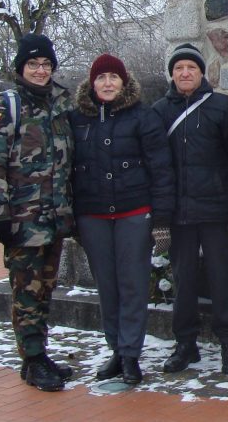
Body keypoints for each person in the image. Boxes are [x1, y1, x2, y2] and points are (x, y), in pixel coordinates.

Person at [0, 33, 76, 392]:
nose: (40, 70)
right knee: (26, 292)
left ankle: (38, 355)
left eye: (46, 64)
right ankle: (32, 359)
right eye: (33, 64)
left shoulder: (59, 107)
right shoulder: (8, 106)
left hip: (54, 219)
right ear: (21, 68)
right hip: (22, 220)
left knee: (45, 289)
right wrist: (1, 213)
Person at [70, 53, 175, 386]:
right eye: (101, 78)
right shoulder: (76, 120)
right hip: (93, 216)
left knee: (132, 285)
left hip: (134, 213)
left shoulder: (143, 117)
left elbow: (161, 170)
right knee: (107, 287)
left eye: (114, 77)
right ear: (92, 83)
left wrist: (161, 218)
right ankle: (116, 349)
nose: (107, 83)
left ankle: (131, 354)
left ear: (124, 82)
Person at [152, 43, 228, 376]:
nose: (185, 73)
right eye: (179, 68)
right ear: (172, 74)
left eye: (191, 68)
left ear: (202, 73)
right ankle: (185, 345)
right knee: (182, 282)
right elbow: (155, 167)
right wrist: (160, 218)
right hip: (178, 214)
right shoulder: (158, 112)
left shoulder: (223, 108)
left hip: (216, 212)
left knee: (221, 279)